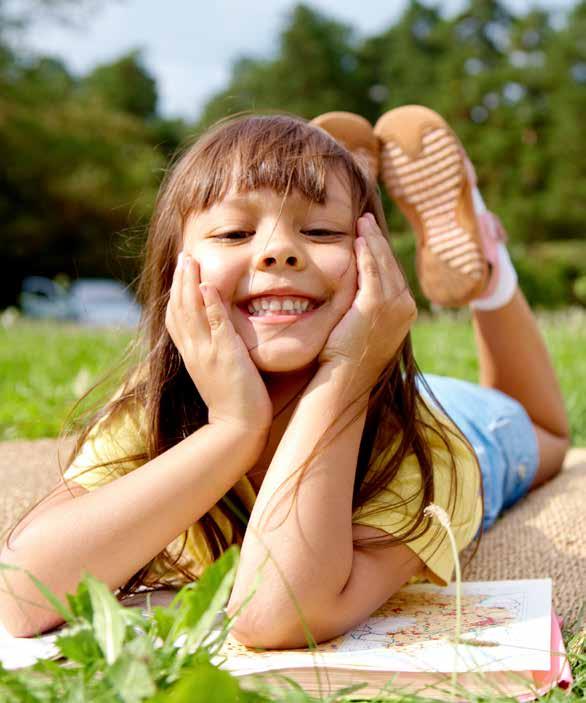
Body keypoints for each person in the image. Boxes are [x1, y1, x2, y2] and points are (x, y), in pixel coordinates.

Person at [0, 109, 570, 649]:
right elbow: (21, 595)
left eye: (320, 232)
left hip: (447, 415)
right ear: (175, 272)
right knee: (318, 190)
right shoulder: (152, 412)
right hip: (352, 372)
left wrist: (348, 370)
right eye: (232, 234)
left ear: (378, 266)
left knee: (544, 436)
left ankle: (488, 268)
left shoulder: (426, 454)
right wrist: (234, 426)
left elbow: (277, 613)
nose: (279, 252)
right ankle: (348, 183)